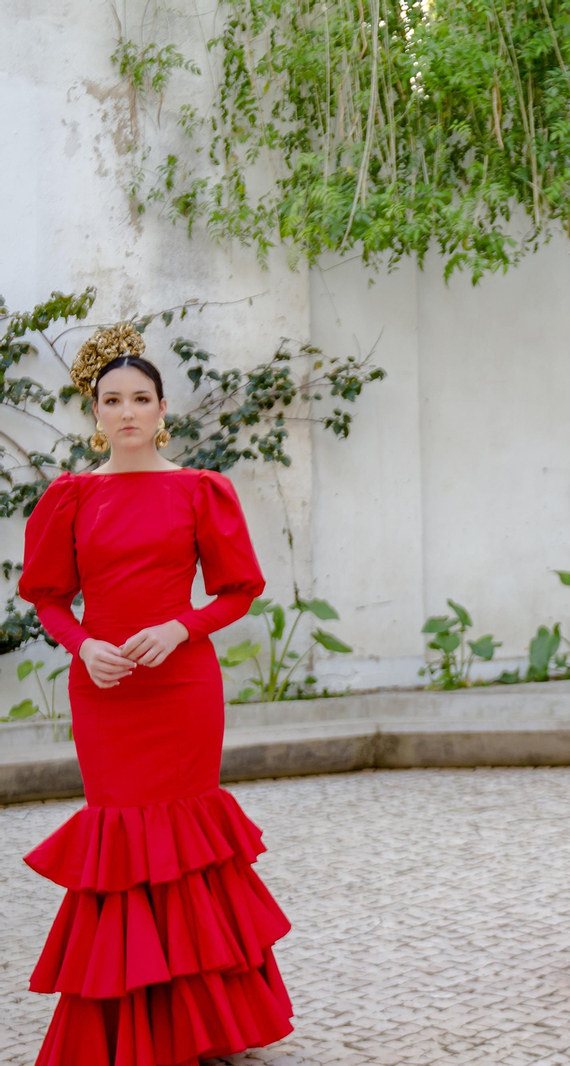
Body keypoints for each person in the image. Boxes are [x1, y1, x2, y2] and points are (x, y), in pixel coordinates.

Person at [17, 324, 293, 1066]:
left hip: (181, 685)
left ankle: (208, 1023)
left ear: (162, 407)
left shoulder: (202, 490)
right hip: (105, 690)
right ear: (95, 412)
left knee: (187, 843)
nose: (128, 412)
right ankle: (128, 1027)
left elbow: (238, 590)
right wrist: (85, 647)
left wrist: (180, 627)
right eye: (113, 400)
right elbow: (46, 600)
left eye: (141, 398)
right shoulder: (71, 498)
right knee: (120, 839)